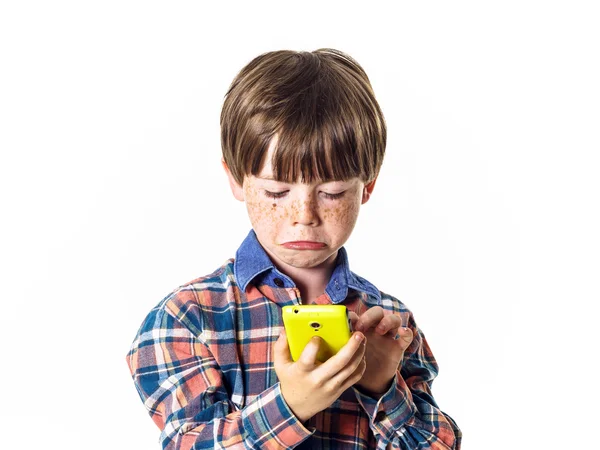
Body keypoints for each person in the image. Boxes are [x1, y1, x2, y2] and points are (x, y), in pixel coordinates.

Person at [126, 48, 461, 450]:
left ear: (367, 186)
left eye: (333, 192)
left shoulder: (389, 324)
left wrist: (382, 386)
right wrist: (291, 406)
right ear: (236, 180)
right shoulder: (185, 318)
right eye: (276, 191)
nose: (305, 214)